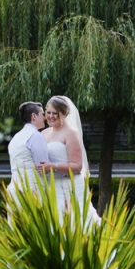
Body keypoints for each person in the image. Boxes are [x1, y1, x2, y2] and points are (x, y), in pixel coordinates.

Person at [36, 95, 101, 226]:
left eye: (55, 113)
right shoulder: (44, 133)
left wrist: (52, 167)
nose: (51, 116)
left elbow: (77, 166)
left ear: (64, 114)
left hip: (69, 185)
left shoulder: (70, 133)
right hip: (51, 186)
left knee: (76, 224)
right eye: (48, 112)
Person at [7, 101, 49, 198]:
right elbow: (43, 167)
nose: (45, 118)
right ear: (34, 116)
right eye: (42, 114)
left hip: (14, 189)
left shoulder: (15, 137)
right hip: (32, 191)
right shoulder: (36, 136)